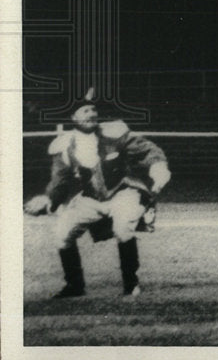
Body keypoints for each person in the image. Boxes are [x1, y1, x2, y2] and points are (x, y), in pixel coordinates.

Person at [24, 91, 171, 298]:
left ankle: (131, 284)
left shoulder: (114, 133)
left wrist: (158, 168)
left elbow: (148, 150)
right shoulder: (65, 145)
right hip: (91, 198)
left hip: (123, 193)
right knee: (61, 233)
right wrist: (48, 199)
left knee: (123, 230)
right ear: (73, 118)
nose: (91, 114)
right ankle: (74, 286)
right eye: (85, 110)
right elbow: (60, 181)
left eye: (93, 110)